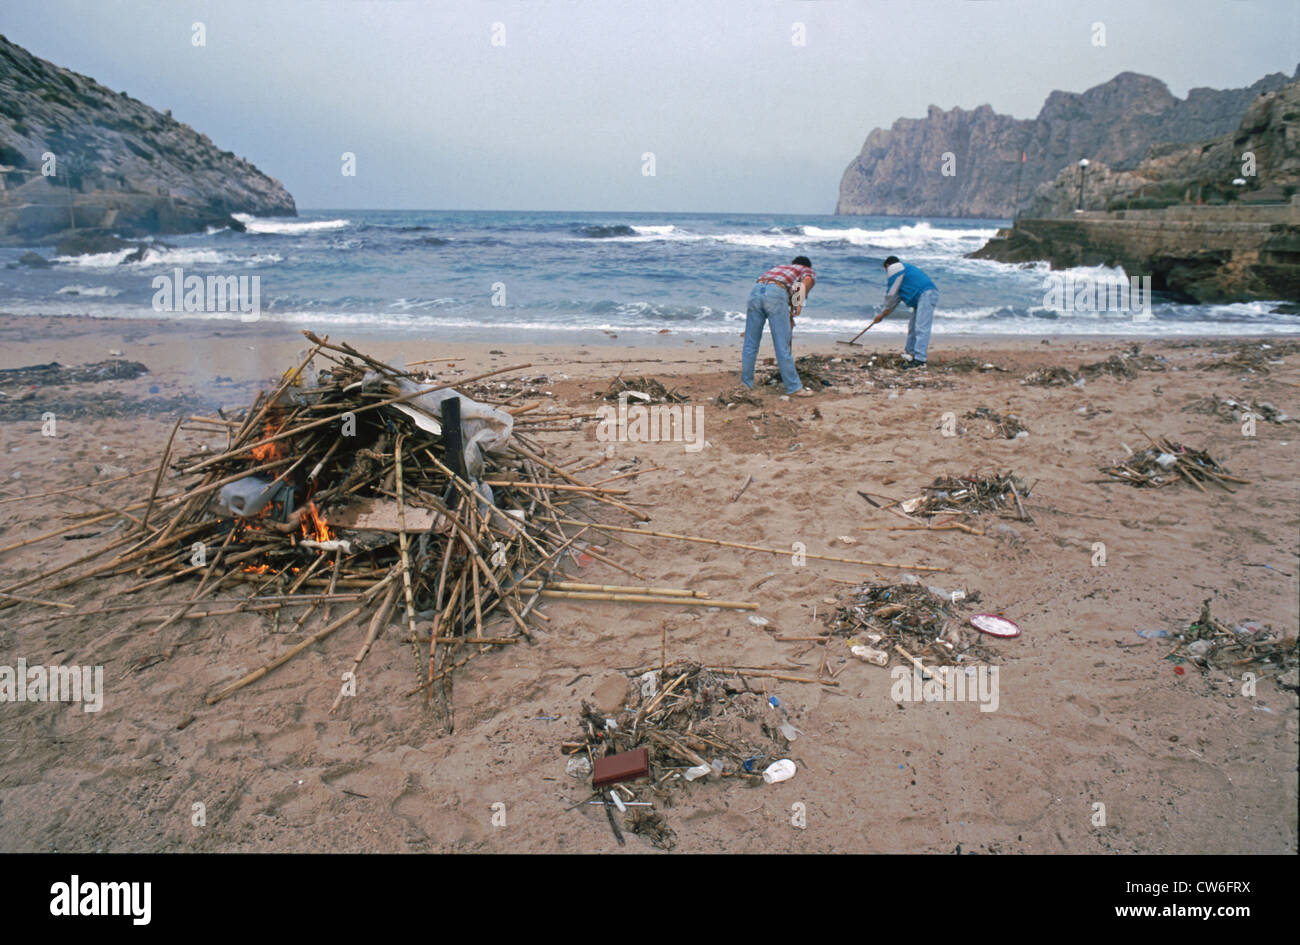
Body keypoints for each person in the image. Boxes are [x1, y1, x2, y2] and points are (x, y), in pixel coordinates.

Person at [741, 255, 815, 396]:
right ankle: (793, 387)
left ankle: (746, 384)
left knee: (750, 343)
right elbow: (806, 282)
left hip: (756, 292)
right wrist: (798, 305)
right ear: (807, 266)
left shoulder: (780, 268)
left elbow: (785, 289)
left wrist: (790, 312)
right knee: (782, 345)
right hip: (776, 294)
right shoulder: (806, 270)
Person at [867, 255, 938, 367]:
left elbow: (891, 295)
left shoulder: (895, 267)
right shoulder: (903, 271)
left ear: (887, 265)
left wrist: (882, 313)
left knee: (921, 328)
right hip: (923, 296)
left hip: (926, 295)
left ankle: (920, 360)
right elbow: (896, 298)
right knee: (913, 327)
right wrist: (883, 314)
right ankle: (910, 354)